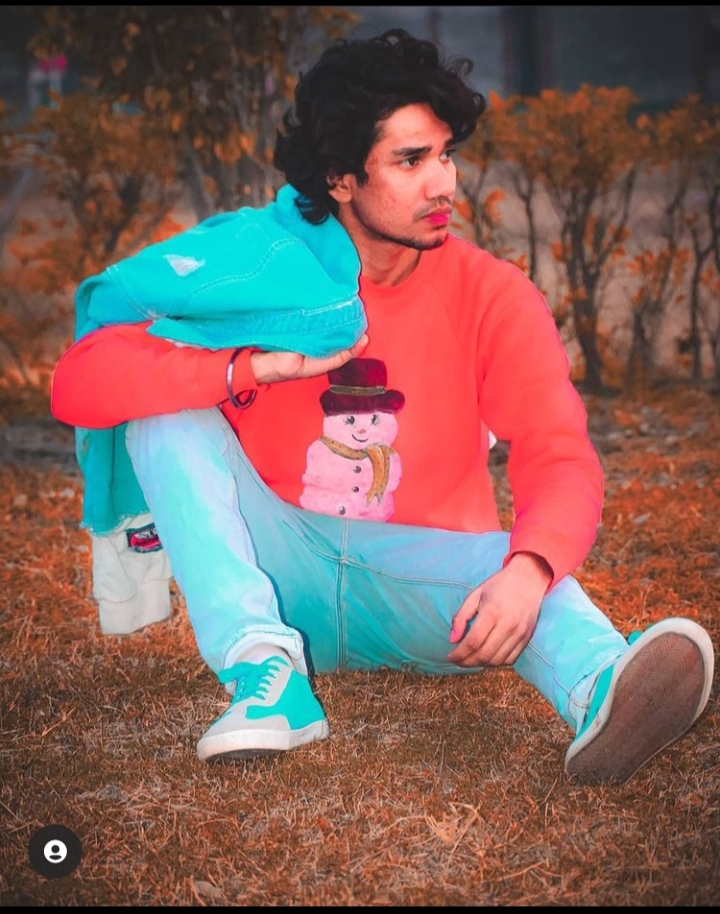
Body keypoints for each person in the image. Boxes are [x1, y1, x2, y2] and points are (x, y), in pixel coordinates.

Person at [50, 28, 714, 785]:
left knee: (515, 561)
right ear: (340, 179)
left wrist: (529, 572)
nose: (443, 184)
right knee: (162, 404)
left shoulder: (493, 295)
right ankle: (267, 675)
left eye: (446, 155)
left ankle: (603, 688)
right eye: (410, 160)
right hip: (278, 570)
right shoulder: (257, 270)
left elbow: (556, 449)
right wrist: (250, 366)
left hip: (427, 588)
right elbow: (81, 381)